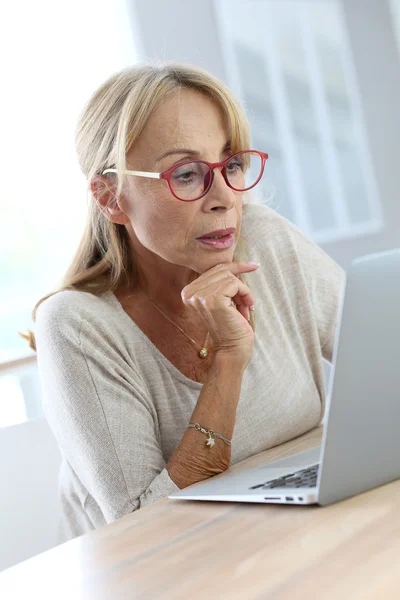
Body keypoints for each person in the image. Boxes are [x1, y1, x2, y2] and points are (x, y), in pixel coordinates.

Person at [23, 63, 344, 541]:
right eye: (187, 173)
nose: (225, 198)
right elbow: (142, 529)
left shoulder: (266, 240)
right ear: (110, 197)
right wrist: (228, 363)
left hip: (282, 540)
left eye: (231, 165)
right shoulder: (74, 324)